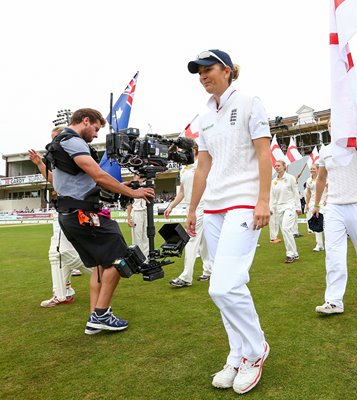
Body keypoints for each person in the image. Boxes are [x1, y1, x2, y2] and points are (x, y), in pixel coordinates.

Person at [185, 49, 270, 394]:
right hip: (214, 207)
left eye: (208, 69)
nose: (203, 76)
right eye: (199, 72)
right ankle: (236, 354)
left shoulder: (250, 101)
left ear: (226, 70)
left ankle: (255, 350)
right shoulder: (203, 116)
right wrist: (192, 209)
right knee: (224, 288)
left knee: (224, 286)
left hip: (244, 203)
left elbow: (265, 152)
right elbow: (202, 166)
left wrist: (263, 200)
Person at [47, 108, 154, 335]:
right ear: (85, 121)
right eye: (95, 128)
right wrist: (133, 192)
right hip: (82, 214)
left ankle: (94, 318)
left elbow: (82, 182)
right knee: (122, 256)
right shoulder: (73, 142)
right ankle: (101, 314)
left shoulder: (61, 143)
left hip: (72, 214)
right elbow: (99, 176)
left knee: (100, 266)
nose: (96, 135)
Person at [312, 119, 357, 314]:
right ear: (328, 129)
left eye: (338, 120)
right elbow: (322, 178)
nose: (335, 125)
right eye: (331, 123)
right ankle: (333, 301)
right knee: (333, 253)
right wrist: (316, 204)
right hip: (334, 206)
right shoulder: (324, 151)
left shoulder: (355, 144)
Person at [29, 125, 91, 308]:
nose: (53, 140)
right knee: (58, 254)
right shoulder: (60, 157)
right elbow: (54, 181)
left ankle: (102, 271)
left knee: (59, 254)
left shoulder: (70, 154)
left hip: (69, 210)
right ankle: (64, 292)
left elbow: (58, 183)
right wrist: (40, 163)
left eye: (56, 136)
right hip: (66, 210)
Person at [165, 143, 213, 286]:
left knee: (191, 239)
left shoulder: (203, 162)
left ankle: (186, 277)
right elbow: (182, 192)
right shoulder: (184, 168)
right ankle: (208, 270)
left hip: (202, 205)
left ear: (194, 149)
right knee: (203, 241)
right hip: (190, 207)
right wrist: (171, 206)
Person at [270, 159, 301, 263]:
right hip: (279, 209)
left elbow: (296, 193)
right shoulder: (273, 182)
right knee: (285, 231)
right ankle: (295, 253)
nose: (276, 167)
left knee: (286, 228)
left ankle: (290, 254)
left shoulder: (290, 178)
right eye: (275, 166)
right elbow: (273, 198)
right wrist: (271, 209)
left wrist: (298, 207)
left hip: (290, 207)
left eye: (278, 165)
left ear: (284, 166)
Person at [126, 174, 150, 258]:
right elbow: (129, 204)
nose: (139, 177)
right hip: (136, 212)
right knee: (137, 236)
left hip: (145, 211)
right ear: (133, 176)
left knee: (146, 235)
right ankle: (138, 258)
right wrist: (129, 218)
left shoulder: (146, 184)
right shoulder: (131, 187)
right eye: (137, 175)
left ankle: (146, 257)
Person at [304, 163, 325, 252]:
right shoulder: (309, 180)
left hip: (323, 203)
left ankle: (329, 243)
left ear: (318, 169)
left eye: (314, 169)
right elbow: (308, 192)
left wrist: (327, 198)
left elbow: (328, 188)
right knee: (316, 222)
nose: (312, 170)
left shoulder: (322, 178)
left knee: (325, 223)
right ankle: (319, 244)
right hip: (313, 204)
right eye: (311, 169)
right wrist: (307, 203)